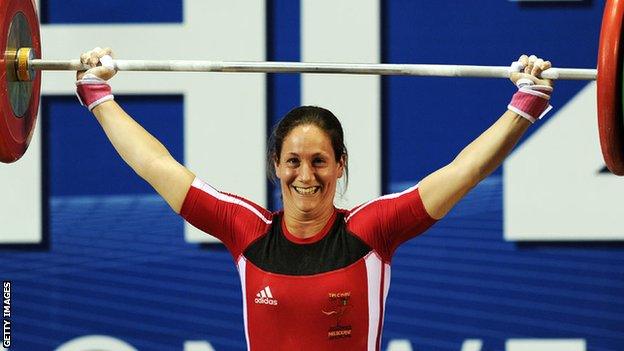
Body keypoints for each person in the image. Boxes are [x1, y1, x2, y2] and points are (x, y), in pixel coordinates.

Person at [75, 48, 553, 351]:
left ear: (341, 164)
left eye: (320, 161)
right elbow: (157, 166)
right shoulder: (247, 230)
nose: (306, 176)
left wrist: (524, 106)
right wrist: (98, 96)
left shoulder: (371, 230)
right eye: (294, 161)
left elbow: (462, 172)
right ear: (275, 165)